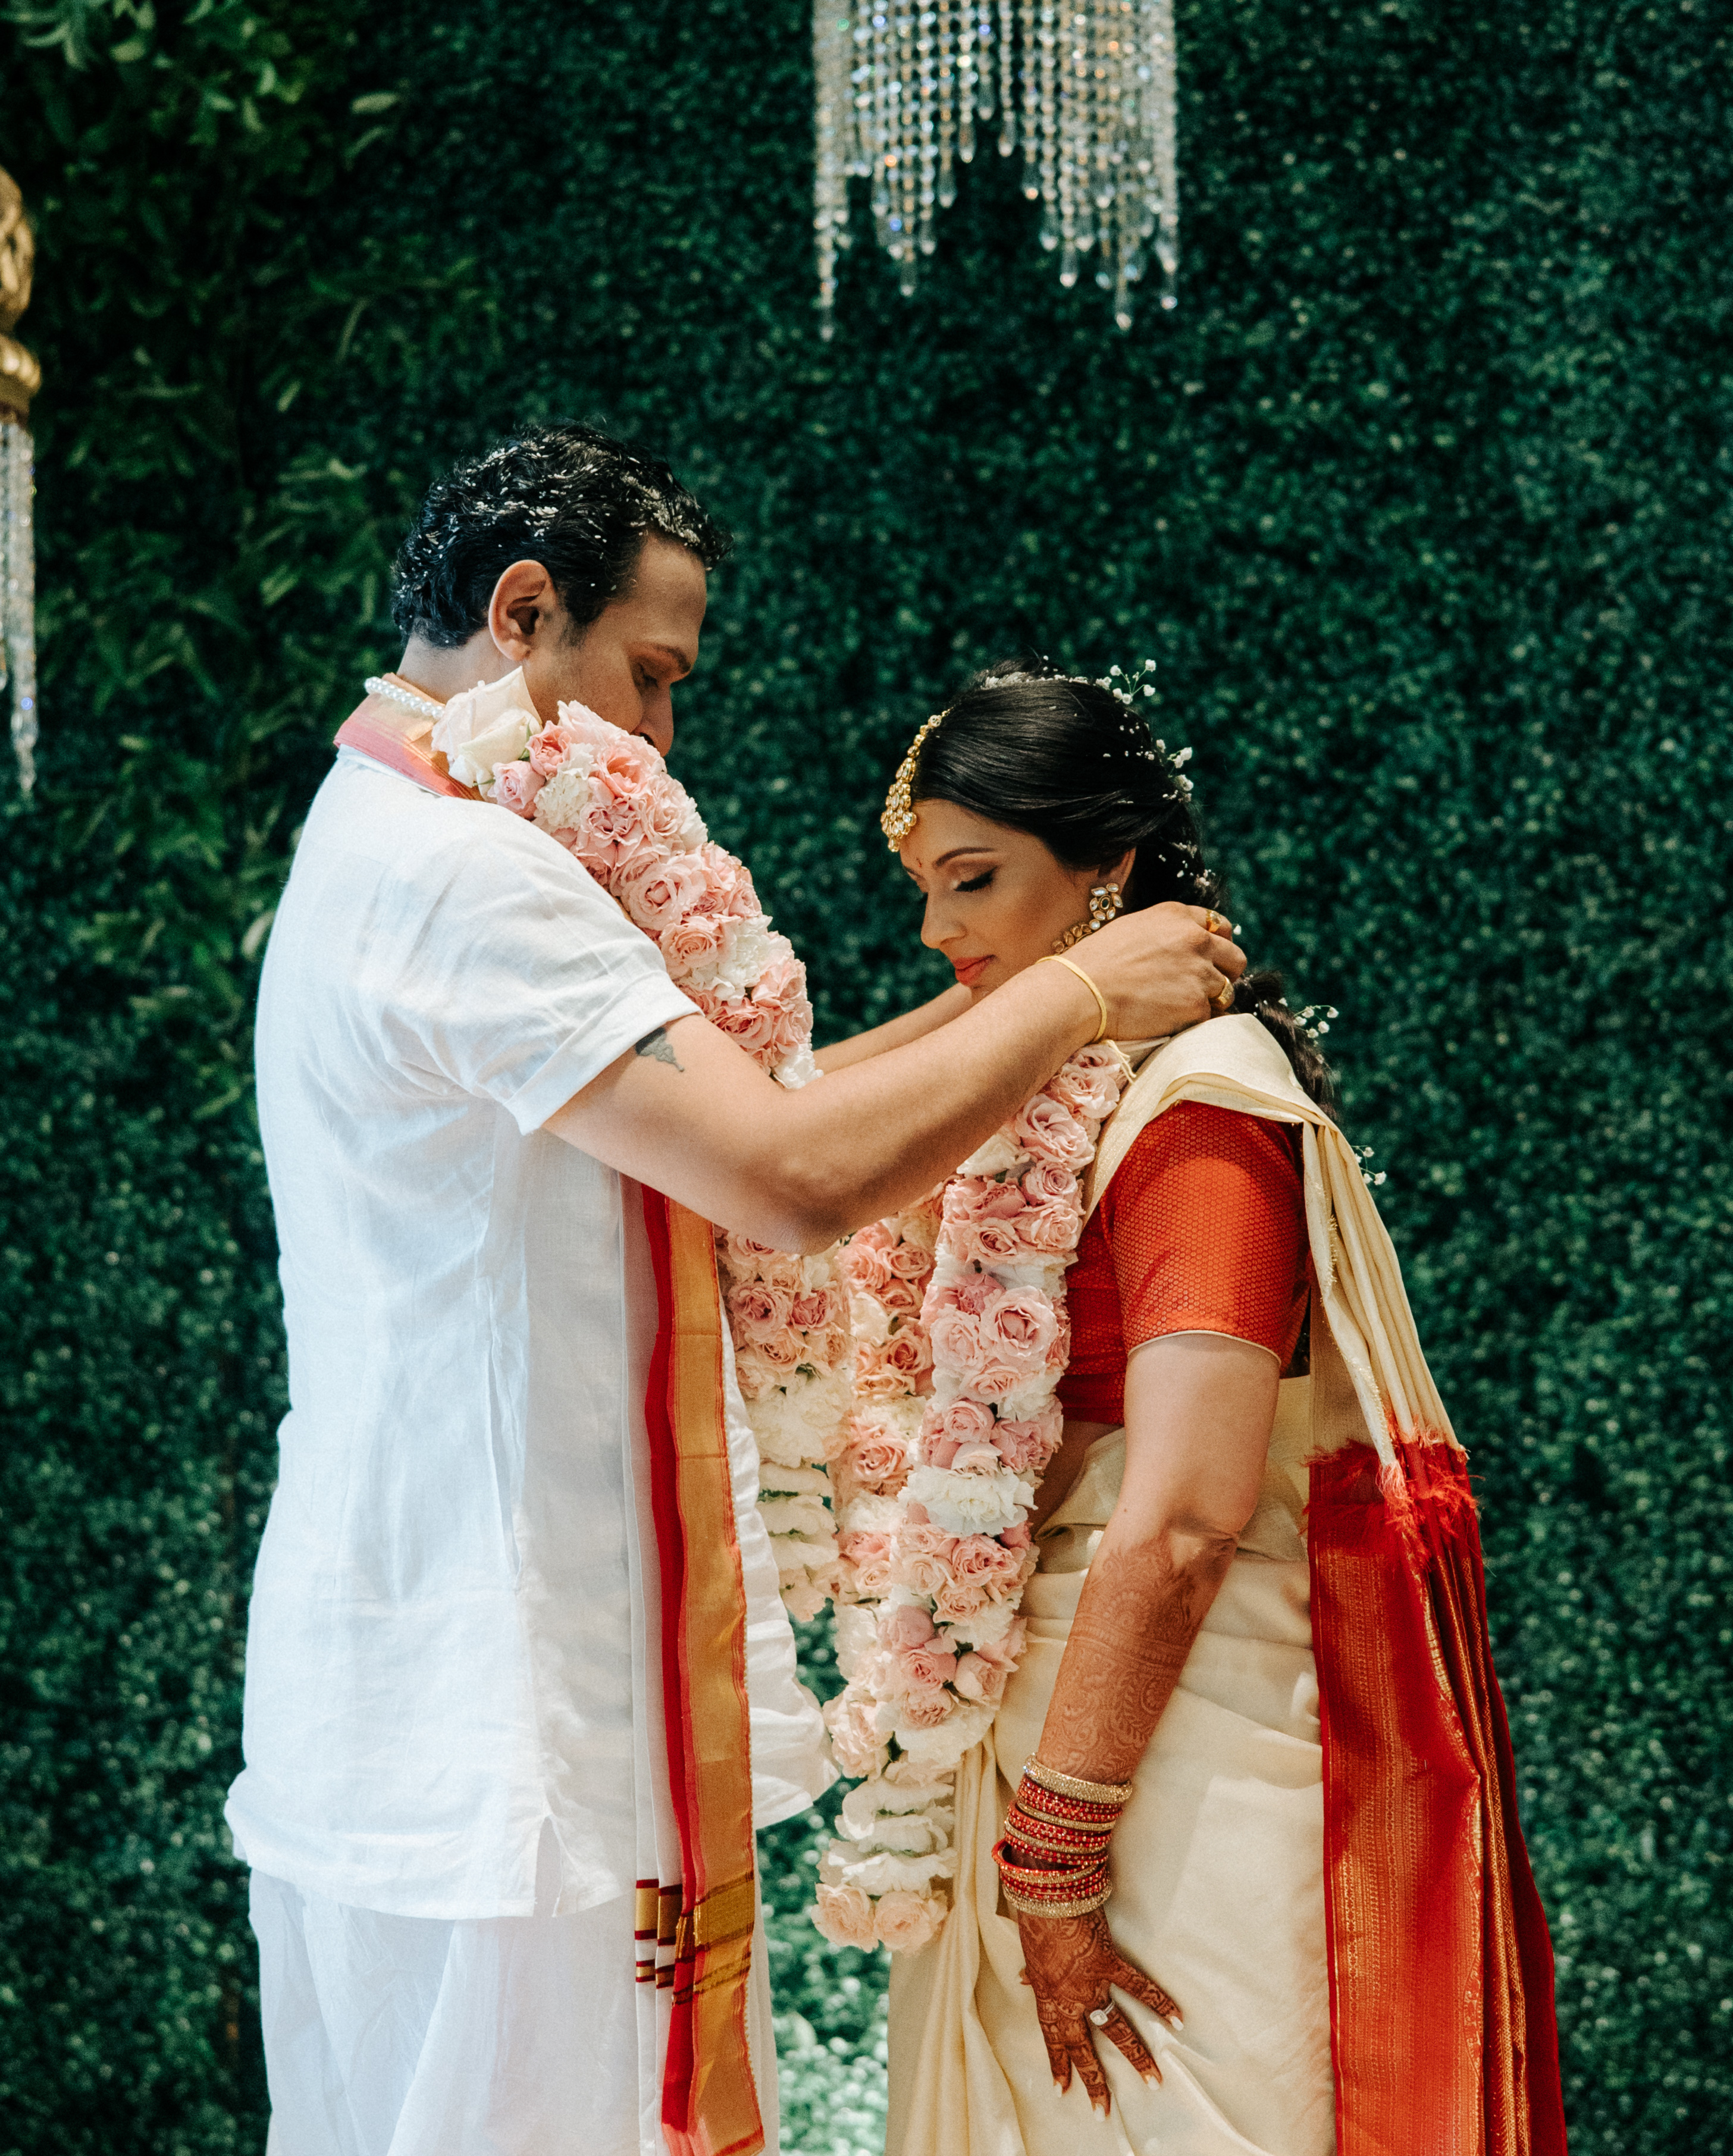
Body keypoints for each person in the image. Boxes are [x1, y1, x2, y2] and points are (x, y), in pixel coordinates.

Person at [227, 429, 1246, 2156]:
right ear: (523, 609)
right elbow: (787, 1179)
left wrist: (1042, 982)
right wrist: (1077, 1002)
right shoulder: (478, 877)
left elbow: (753, 1124)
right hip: (514, 1726)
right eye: (651, 676)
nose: (661, 738)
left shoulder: (375, 831)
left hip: (426, 1690)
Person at [850, 662, 1567, 2156]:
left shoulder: (1200, 1112)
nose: (936, 929)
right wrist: (1047, 998)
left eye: (971, 880)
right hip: (1049, 1734)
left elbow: (1179, 1518)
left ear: (1106, 862)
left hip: (1161, 1779)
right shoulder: (1057, 1086)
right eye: (922, 888)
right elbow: (788, 1114)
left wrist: (1054, 1864)